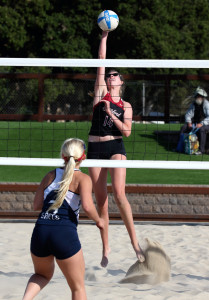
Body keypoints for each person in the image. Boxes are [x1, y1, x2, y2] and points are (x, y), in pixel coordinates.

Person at [87, 30, 145, 268]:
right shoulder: (100, 93)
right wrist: (104, 36)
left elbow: (128, 132)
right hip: (95, 148)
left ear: (121, 82)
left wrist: (112, 113)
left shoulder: (126, 105)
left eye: (115, 75)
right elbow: (102, 60)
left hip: (115, 145)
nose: (111, 76)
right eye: (109, 75)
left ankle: (135, 245)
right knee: (101, 200)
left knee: (119, 194)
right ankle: (106, 247)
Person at [22, 138, 104, 300]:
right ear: (84, 157)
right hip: (64, 233)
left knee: (41, 275)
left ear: (62, 155)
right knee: (77, 287)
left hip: (41, 231)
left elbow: (36, 205)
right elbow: (88, 206)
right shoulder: (83, 179)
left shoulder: (50, 175)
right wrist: (99, 220)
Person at [179, 86, 209, 155]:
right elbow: (188, 115)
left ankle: (201, 150)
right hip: (195, 123)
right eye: (197, 95)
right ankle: (180, 147)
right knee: (184, 127)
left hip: (206, 124)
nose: (198, 97)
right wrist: (189, 122)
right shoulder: (193, 104)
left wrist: (202, 123)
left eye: (199, 96)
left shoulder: (207, 104)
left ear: (202, 97)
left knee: (202, 129)